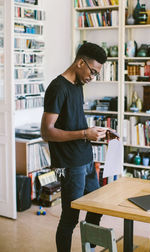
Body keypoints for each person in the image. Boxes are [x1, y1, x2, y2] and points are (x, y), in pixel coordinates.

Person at [40, 42, 108, 252]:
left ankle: (89, 248)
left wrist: (93, 132)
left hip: (86, 159)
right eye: (93, 72)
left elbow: (72, 122)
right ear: (81, 62)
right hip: (70, 165)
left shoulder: (78, 86)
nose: (93, 77)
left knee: (96, 208)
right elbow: (46, 131)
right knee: (70, 219)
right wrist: (84, 133)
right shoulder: (58, 87)